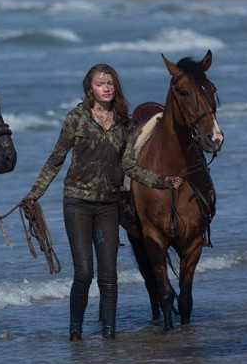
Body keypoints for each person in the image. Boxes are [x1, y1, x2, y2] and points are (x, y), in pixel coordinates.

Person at [23, 64, 182, 341]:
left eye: (110, 83)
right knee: (84, 273)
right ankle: (75, 332)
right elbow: (56, 159)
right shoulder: (76, 118)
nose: (106, 87)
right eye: (100, 83)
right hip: (77, 203)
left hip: (109, 205)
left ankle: (109, 335)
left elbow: (130, 167)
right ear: (90, 89)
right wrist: (35, 193)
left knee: (109, 276)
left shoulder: (122, 122)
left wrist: (163, 181)